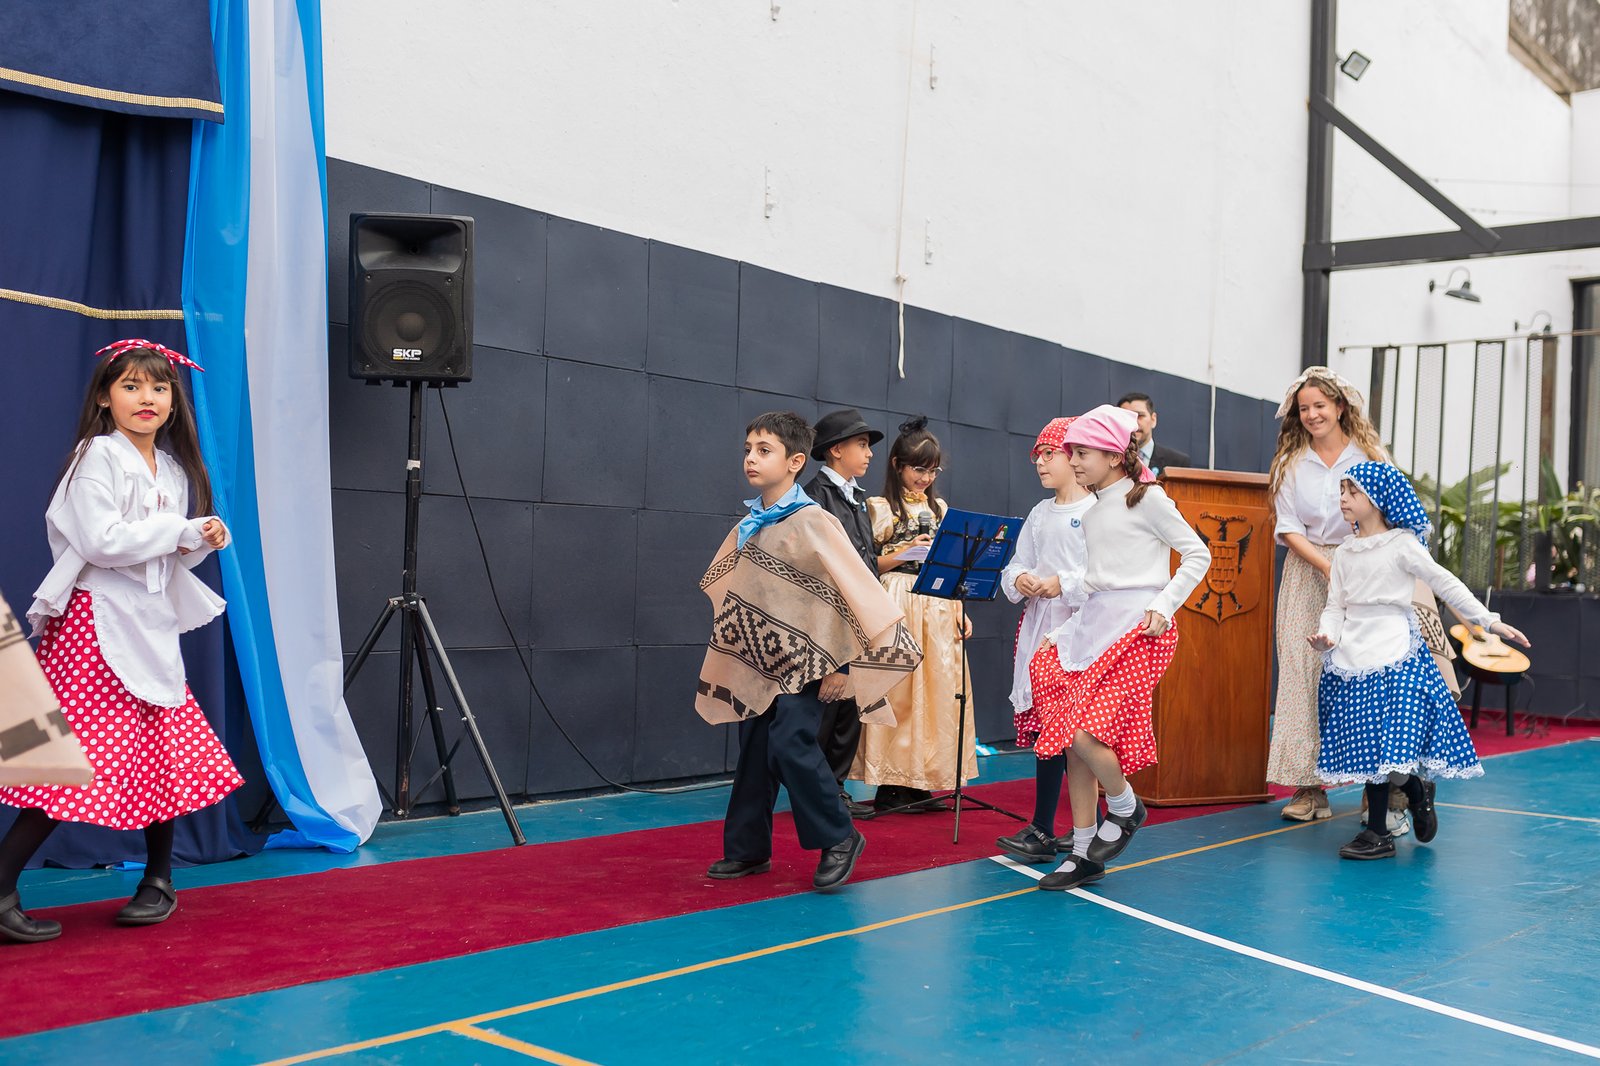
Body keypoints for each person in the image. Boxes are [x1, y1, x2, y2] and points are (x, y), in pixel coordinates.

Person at [0, 340, 242, 944]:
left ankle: (158, 879)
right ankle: (0, 887)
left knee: (161, 750)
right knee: (72, 757)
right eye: (131, 386)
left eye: (159, 388)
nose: (146, 398)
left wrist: (200, 538)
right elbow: (102, 542)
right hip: (96, 622)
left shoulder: (175, 470)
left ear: (173, 402)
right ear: (106, 398)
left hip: (148, 622)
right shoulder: (97, 455)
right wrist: (182, 529)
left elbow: (164, 557)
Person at [698, 412, 922, 891]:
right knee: (755, 747)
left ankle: (839, 835)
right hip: (764, 658)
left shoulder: (813, 520)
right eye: (748, 449)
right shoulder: (753, 522)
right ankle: (747, 848)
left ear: (796, 461)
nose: (751, 458)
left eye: (764, 451)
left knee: (790, 741)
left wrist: (843, 665)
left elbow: (854, 592)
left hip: (810, 661)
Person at [1028, 404, 1211, 891]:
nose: (1073, 461)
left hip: (1136, 629)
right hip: (1095, 626)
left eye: (1081, 453)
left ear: (1113, 455)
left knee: (1082, 734)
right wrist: (1063, 625)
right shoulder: (1094, 509)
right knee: (1070, 743)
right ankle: (1083, 852)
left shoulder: (1147, 498)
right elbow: (1097, 579)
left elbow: (1198, 553)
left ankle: (1127, 806)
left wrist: (1164, 605)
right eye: (1070, 453)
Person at [1264, 367, 1453, 832]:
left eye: (1319, 406)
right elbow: (1287, 528)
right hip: (1309, 570)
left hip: (1372, 564)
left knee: (1379, 672)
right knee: (1305, 673)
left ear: (1340, 406)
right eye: (1303, 408)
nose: (1312, 415)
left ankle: (1384, 788)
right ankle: (1309, 788)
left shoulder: (1369, 455)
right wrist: (1328, 566)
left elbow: (1395, 514)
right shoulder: (1291, 462)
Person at [1309, 462, 1530, 860]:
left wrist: (1488, 620)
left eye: (1352, 491)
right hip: (1353, 656)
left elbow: (1445, 582)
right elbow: (1335, 606)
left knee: (1388, 750)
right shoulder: (1344, 553)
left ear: (1377, 499)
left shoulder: (1402, 545)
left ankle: (1387, 822)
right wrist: (1328, 636)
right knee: (1371, 746)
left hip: (1395, 652)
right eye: (1341, 491)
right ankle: (1403, 805)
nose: (1342, 498)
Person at [852, 417, 975, 813]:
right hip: (897, 600)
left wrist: (960, 609)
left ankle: (924, 780)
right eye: (918, 469)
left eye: (932, 470)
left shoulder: (940, 508)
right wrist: (903, 553)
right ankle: (892, 782)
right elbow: (865, 564)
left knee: (938, 690)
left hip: (938, 603)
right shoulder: (880, 507)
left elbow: (951, 564)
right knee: (899, 691)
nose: (925, 478)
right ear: (897, 465)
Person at [995, 418, 1096, 863]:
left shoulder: (1095, 511)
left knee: (1071, 731)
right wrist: (1022, 579)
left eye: (1049, 453)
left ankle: (1068, 828)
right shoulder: (1039, 513)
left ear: (1074, 456)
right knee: (1048, 728)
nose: (1040, 462)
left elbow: (1102, 575)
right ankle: (1052, 826)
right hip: (1041, 629)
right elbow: (1017, 564)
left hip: (1080, 631)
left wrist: (1063, 584)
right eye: (1037, 455)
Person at [803, 409, 884, 818]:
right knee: (826, 708)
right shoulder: (815, 497)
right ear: (836, 450)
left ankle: (834, 788)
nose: (869, 454)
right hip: (831, 621)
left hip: (859, 619)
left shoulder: (857, 497)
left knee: (849, 709)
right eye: (862, 445)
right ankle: (817, 794)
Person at [1117, 392, 1190, 476]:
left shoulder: (1178, 463)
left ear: (1153, 419)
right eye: (1126, 417)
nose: (1134, 423)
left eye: (1139, 415)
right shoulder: (1111, 460)